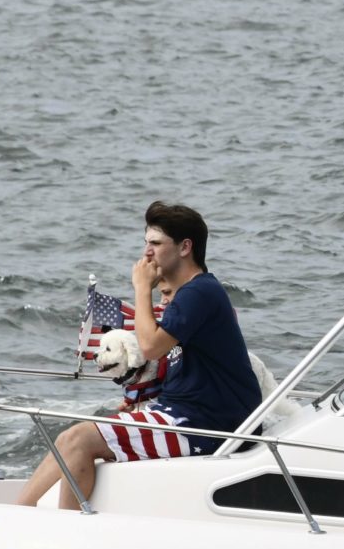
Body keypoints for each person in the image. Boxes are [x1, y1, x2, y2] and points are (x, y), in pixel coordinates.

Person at [14, 202, 264, 509]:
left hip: (206, 425)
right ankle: (37, 515)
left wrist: (141, 288)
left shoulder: (199, 293)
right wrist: (142, 399)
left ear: (185, 247)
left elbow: (150, 347)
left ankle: (33, 520)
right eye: (146, 243)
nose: (147, 252)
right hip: (184, 413)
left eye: (156, 244)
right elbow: (185, 366)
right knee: (74, 438)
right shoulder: (189, 295)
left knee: (77, 439)